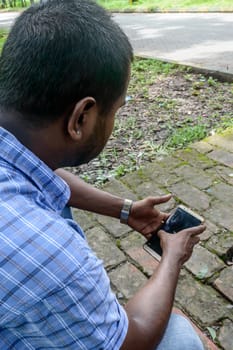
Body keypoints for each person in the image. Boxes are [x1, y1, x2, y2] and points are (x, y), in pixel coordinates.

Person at [0, 0, 206, 349]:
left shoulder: (15, 146)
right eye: (117, 111)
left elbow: (37, 173)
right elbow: (128, 340)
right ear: (81, 118)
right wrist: (171, 259)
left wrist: (125, 209)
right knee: (181, 338)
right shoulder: (52, 257)